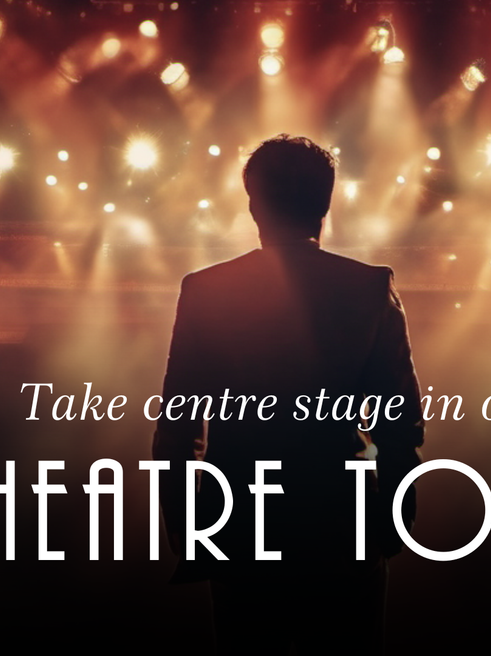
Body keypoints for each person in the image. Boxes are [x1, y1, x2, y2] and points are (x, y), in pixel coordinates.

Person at [152, 134, 424, 654]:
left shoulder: (205, 290)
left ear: (253, 202)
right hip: (345, 530)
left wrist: (192, 538)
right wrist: (391, 525)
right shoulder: (370, 287)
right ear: (326, 202)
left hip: (242, 530)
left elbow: (176, 434)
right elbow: (400, 424)